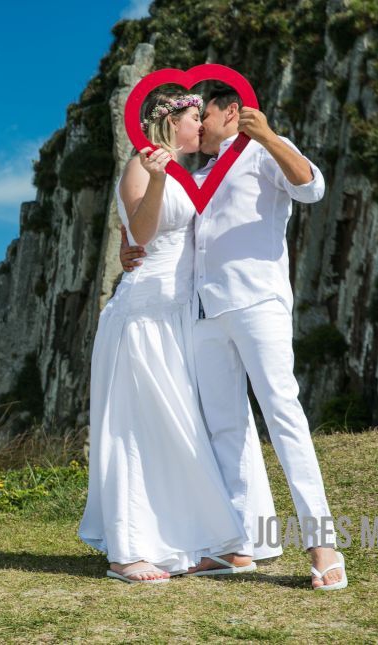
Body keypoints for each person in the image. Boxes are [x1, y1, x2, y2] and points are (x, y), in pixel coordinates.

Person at [120, 85, 348, 590]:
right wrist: (124, 244)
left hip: (257, 303)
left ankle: (323, 545)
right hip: (203, 313)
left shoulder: (262, 152)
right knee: (225, 427)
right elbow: (155, 224)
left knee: (283, 415)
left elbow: (312, 187)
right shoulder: (192, 172)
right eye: (191, 115)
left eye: (205, 113)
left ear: (232, 111)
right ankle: (236, 547)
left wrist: (267, 134)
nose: (198, 123)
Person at [78, 92, 253, 584]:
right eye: (195, 118)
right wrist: (156, 180)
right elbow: (140, 232)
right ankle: (126, 551)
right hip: (145, 312)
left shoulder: (193, 174)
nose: (202, 126)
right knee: (136, 427)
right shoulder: (143, 165)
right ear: (169, 122)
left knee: (179, 428)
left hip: (184, 314)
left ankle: (193, 540)